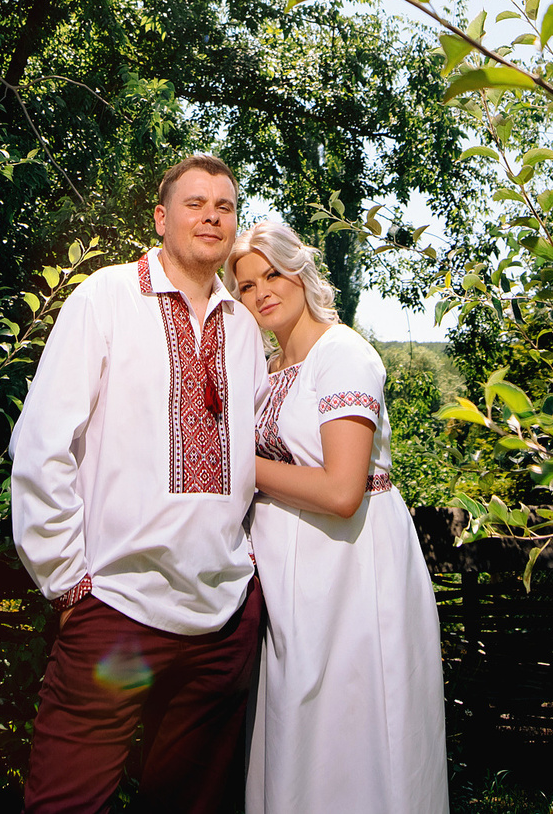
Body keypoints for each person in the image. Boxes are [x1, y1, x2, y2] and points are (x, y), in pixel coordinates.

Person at [9, 154, 267, 814]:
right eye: (195, 203)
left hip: (221, 623)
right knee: (68, 803)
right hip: (117, 612)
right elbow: (42, 445)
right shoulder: (105, 297)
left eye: (225, 206)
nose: (211, 215)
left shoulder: (243, 329)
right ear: (160, 218)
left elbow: (254, 460)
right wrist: (66, 580)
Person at [231, 218, 447, 814]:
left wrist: (234, 463)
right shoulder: (268, 370)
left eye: (272, 274)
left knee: (354, 731)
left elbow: (342, 489)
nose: (262, 292)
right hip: (293, 574)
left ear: (300, 272)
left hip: (352, 566)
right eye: (246, 286)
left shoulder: (344, 354)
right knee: (297, 728)